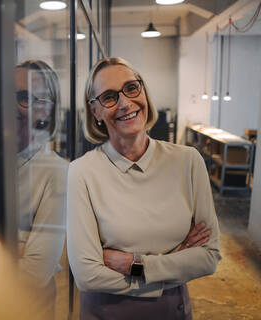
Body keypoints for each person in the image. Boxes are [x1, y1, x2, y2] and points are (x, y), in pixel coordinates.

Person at [67, 57, 221, 320]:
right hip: (105, 313)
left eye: (131, 88)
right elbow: (87, 275)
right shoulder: (82, 172)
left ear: (144, 92)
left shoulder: (188, 161)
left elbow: (208, 257)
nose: (126, 103)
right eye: (109, 97)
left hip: (171, 311)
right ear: (95, 112)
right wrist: (172, 266)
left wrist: (134, 264)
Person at [15, 60, 68, 319]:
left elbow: (35, 273)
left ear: (47, 109)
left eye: (25, 98)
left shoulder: (57, 172)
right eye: (10, 94)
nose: (12, 105)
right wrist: (15, 246)